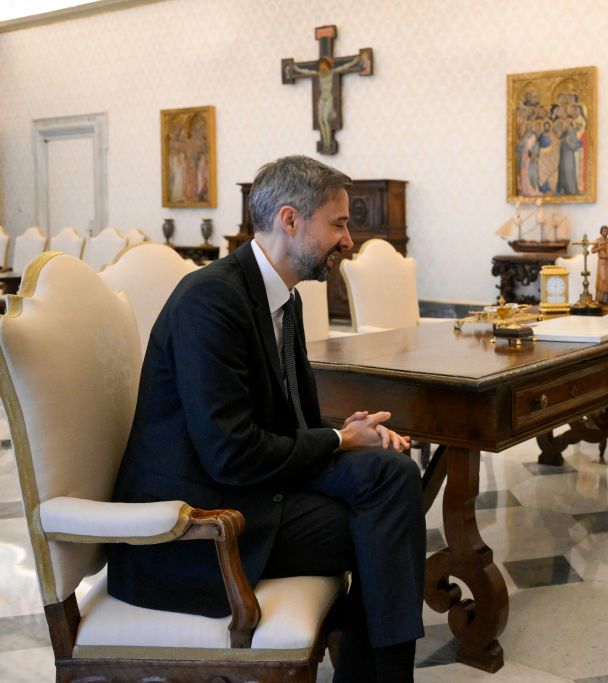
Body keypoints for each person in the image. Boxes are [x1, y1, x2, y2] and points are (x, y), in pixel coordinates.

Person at [108, 155, 425, 683]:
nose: (348, 241)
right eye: (339, 223)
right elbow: (230, 452)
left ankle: (375, 673)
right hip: (199, 526)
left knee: (392, 474)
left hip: (249, 489)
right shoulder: (211, 301)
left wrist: (353, 435)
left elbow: (288, 420)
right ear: (290, 219)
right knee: (388, 525)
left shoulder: (281, 297)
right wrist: (336, 440)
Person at [590, 225, 608, 305]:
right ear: (601, 232)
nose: (605, 232)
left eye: (606, 231)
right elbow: (592, 250)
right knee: (603, 280)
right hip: (602, 262)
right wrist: (599, 248)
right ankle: (600, 299)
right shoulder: (597, 240)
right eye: (603, 231)